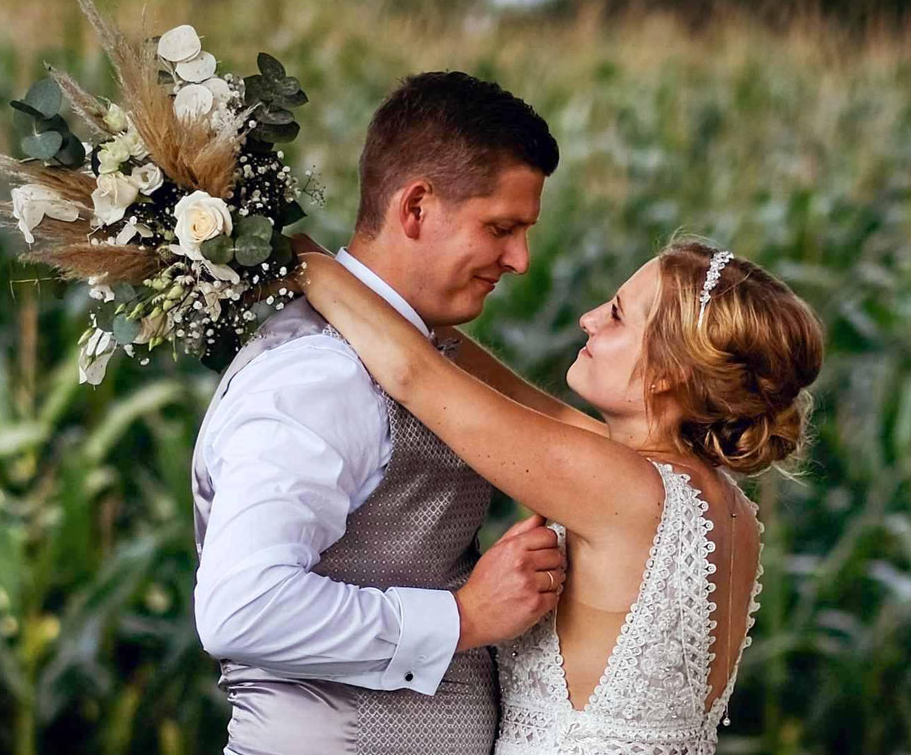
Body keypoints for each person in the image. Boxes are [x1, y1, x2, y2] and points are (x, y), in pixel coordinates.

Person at [295, 239, 824, 754]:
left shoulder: (625, 488)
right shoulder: (715, 501)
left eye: (616, 315)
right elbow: (516, 399)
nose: (589, 319)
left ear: (671, 371)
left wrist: (294, 260)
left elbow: (415, 374)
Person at [191, 71, 567, 755]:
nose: (520, 260)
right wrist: (464, 616)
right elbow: (241, 608)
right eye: (501, 228)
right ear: (417, 208)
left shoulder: (415, 352)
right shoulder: (319, 375)